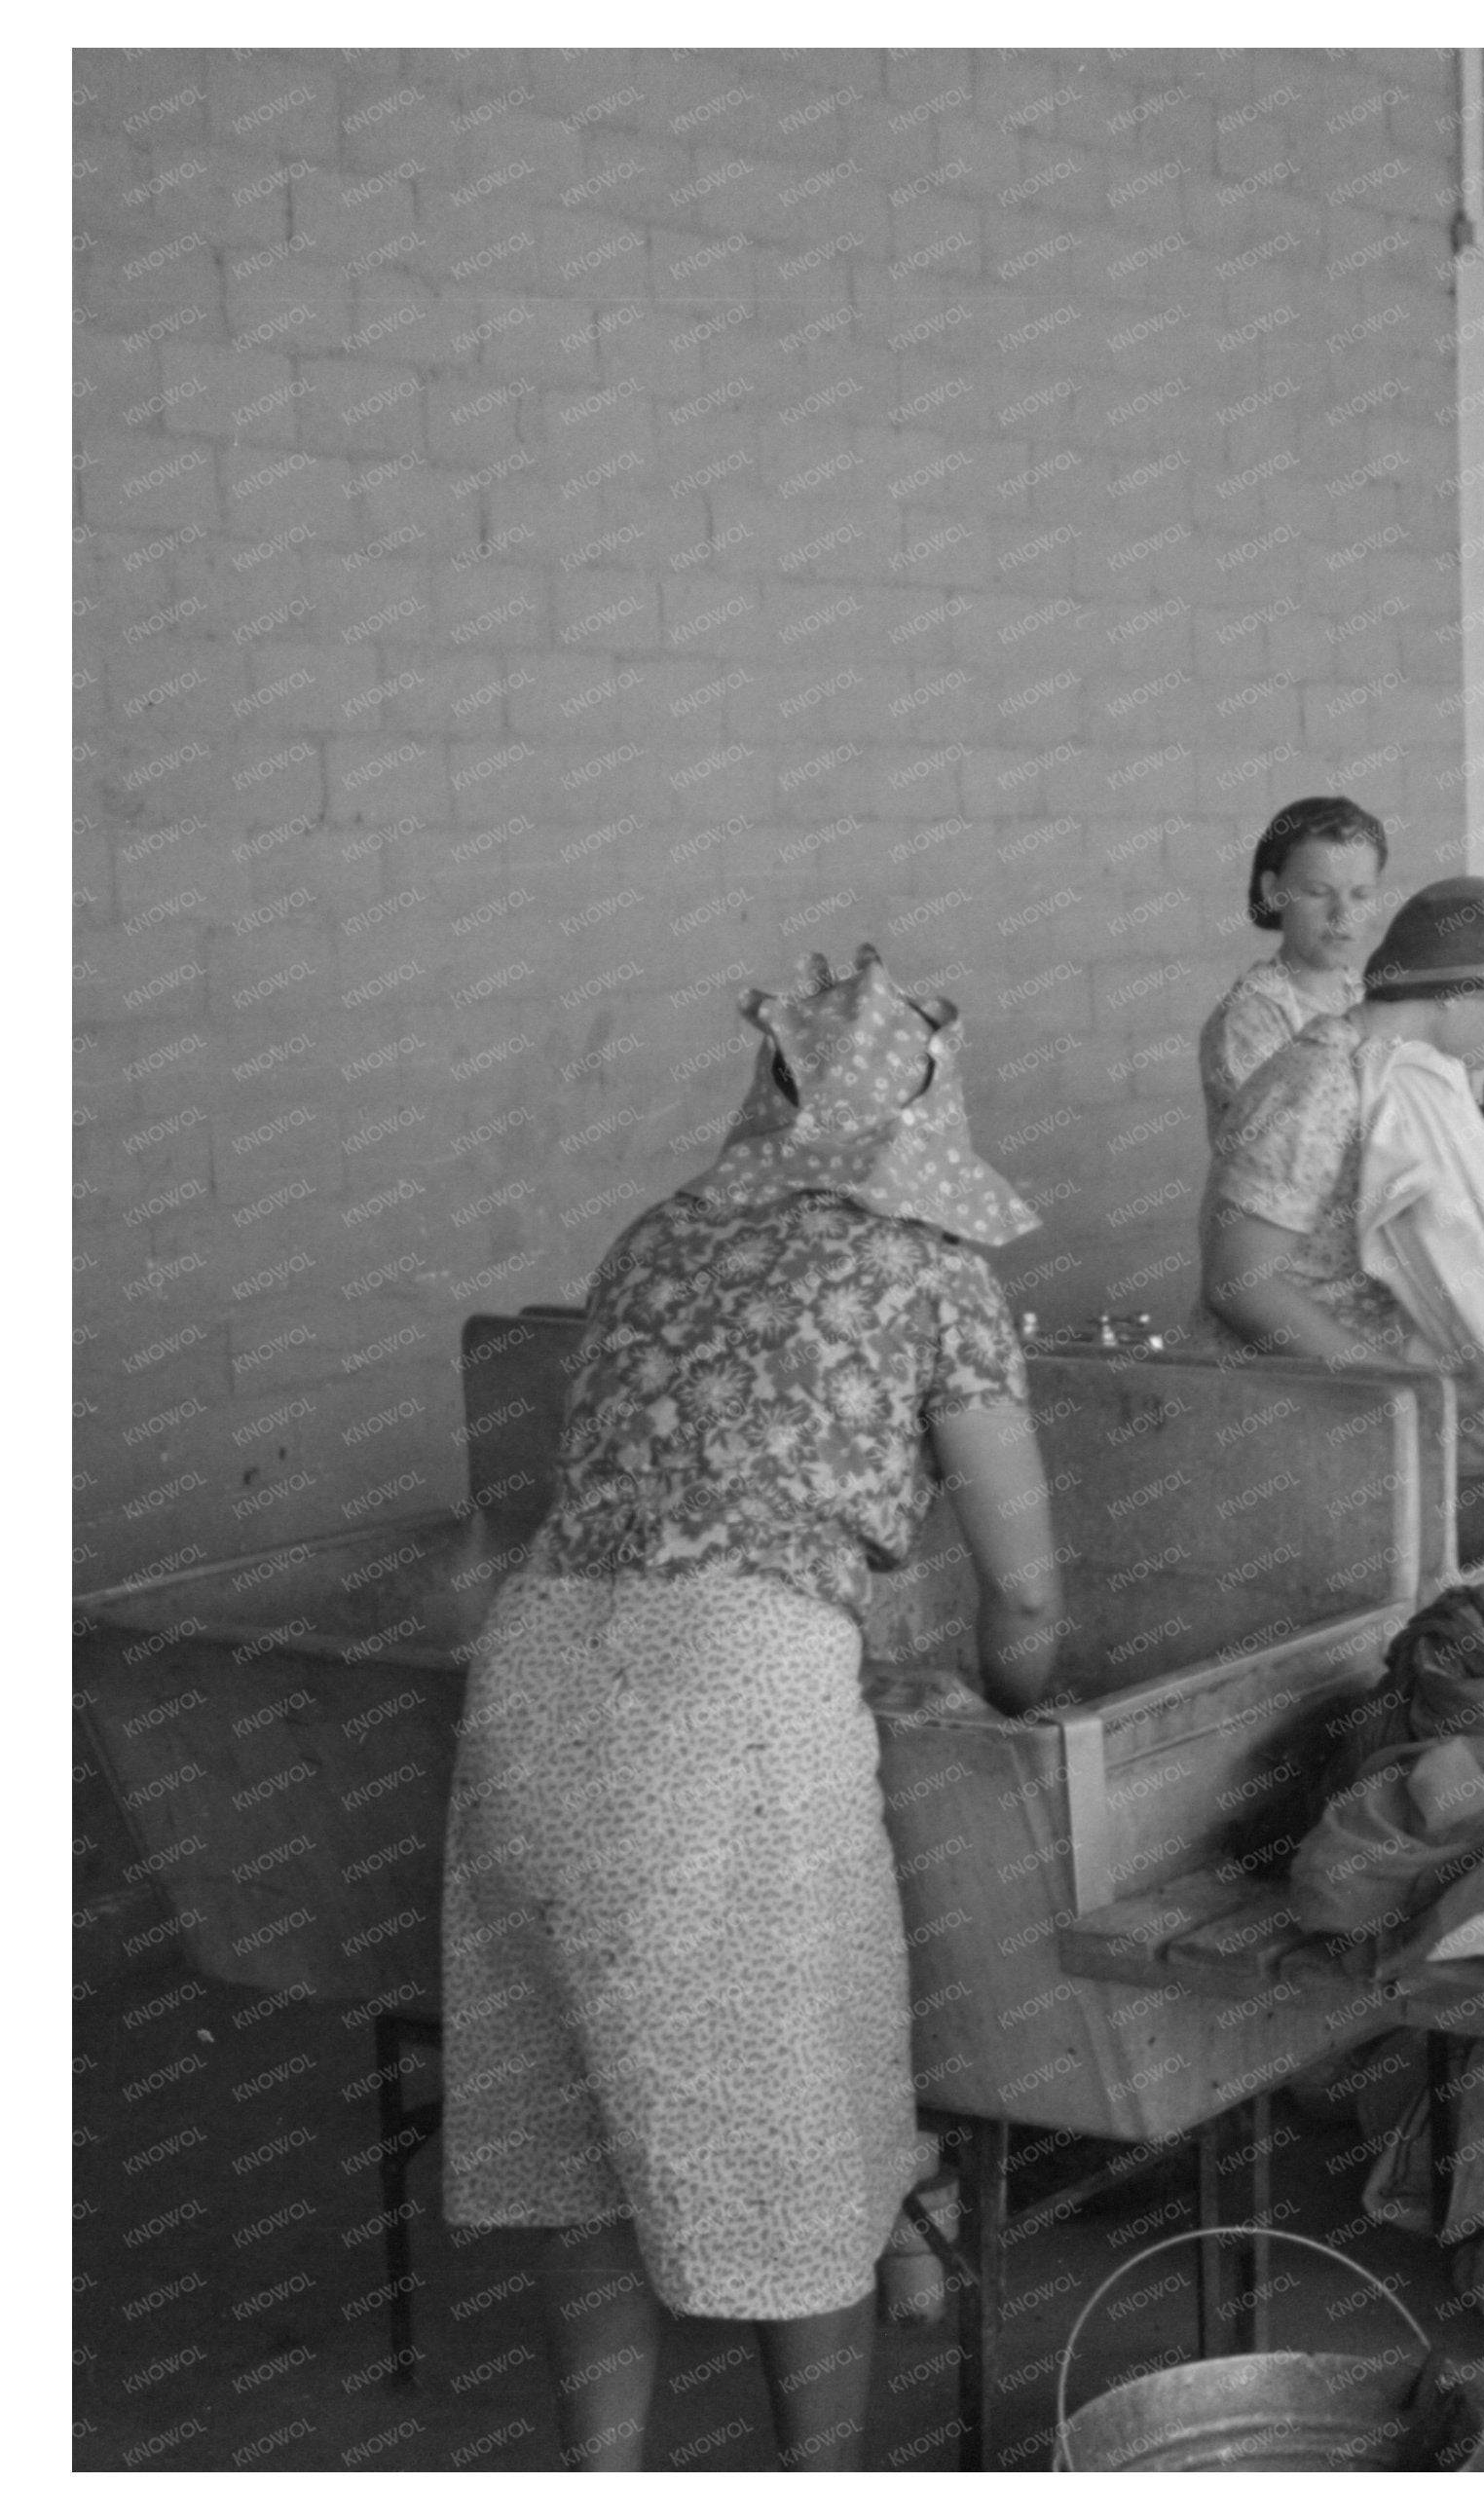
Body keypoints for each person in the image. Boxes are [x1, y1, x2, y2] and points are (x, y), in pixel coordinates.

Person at [438, 946, 1065, 2471]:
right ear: (931, 1100)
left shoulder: (655, 1236)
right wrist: (1022, 1706)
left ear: (769, 1084)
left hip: (533, 1676)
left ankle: (603, 2480)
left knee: (592, 2115)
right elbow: (1026, 1589)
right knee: (807, 2126)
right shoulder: (933, 1270)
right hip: (730, 1698)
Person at [1200, 876, 1484, 1479]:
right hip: (1283, 1422)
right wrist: (1416, 1387)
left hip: (1360, 1414)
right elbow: (1239, 1283)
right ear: (1466, 985)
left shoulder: (1397, 1081)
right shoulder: (1318, 1083)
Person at [1201, 795, 1390, 1140]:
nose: (1342, 915)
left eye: (1361, 895)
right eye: (1319, 892)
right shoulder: (1249, 1019)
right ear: (1273, 891)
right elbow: (1283, 1149)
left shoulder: (1367, 996)